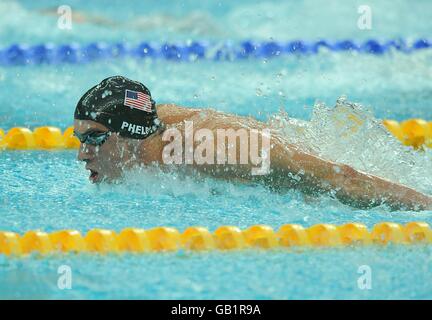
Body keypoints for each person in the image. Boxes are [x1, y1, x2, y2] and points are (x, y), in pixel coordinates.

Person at [74, 76, 432, 211]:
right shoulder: (146, 134)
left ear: (125, 135)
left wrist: (424, 205)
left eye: (93, 139)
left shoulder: (201, 147)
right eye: (80, 139)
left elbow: (338, 177)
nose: (81, 154)